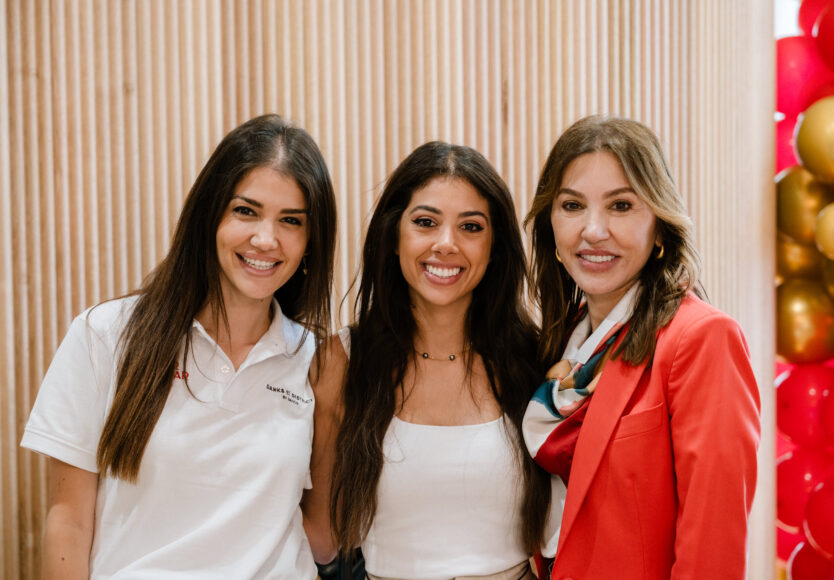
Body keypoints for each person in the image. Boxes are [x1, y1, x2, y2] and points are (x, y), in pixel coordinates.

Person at [20, 114, 337, 579]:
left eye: (291, 221)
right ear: (209, 216)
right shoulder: (106, 334)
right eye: (245, 211)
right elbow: (68, 521)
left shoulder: (316, 360)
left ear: (310, 242)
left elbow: (323, 538)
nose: (265, 239)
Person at [302, 141, 557, 580]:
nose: (446, 244)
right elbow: (323, 538)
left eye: (471, 227)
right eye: (425, 222)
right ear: (393, 236)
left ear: (494, 247)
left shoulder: (535, 358)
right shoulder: (342, 362)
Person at [522, 114, 761, 579]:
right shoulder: (560, 346)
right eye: (572, 206)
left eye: (621, 206)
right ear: (550, 226)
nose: (593, 231)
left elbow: (712, 554)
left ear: (659, 226)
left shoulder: (701, 339)